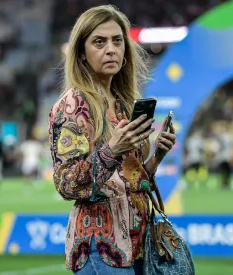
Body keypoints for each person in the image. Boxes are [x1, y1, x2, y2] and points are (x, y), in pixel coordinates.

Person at [48, 5, 176, 275]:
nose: (111, 49)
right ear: (82, 54)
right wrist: (112, 150)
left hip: (139, 243)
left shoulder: (122, 104)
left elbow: (128, 180)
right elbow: (66, 183)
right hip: (101, 247)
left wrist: (155, 158)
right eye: (99, 41)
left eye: (117, 40)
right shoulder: (73, 105)